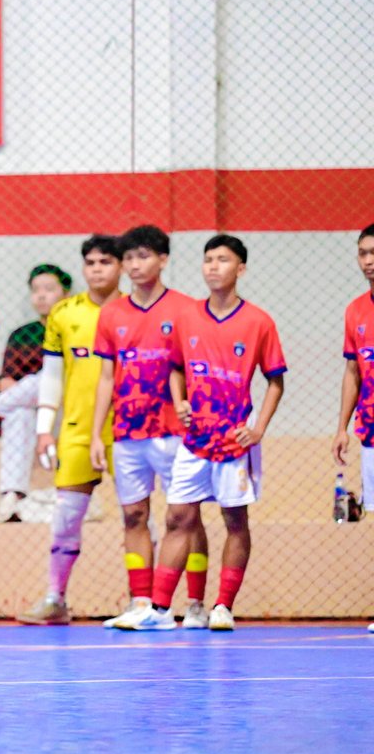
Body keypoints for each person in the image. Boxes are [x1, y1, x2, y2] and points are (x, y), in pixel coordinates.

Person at [154, 235, 286, 632]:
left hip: (235, 441)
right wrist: (180, 401)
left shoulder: (259, 321)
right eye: (208, 259)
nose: (213, 266)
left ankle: (223, 606)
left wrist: (258, 429)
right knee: (178, 516)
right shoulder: (187, 317)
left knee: (234, 519)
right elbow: (176, 368)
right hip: (195, 440)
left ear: (240, 268)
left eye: (223, 260)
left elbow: (275, 381)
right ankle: (159, 610)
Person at [92, 226, 210, 630]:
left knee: (185, 518)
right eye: (128, 258)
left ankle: (195, 603)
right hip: (128, 433)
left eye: (142, 256)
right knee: (133, 516)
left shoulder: (188, 310)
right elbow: (106, 377)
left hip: (177, 433)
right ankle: (141, 603)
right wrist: (96, 433)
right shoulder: (111, 314)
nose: (134, 265)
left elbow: (198, 370)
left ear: (163, 259)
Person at [16, 236, 122, 624]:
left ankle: (144, 602)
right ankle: (54, 599)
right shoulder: (64, 314)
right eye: (90, 263)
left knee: (137, 517)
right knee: (65, 520)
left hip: (126, 431)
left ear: (121, 266)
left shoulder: (134, 311)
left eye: (105, 262)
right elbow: (52, 376)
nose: (97, 269)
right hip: (77, 432)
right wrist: (45, 429)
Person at [0, 264, 70, 522]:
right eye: (36, 290)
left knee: (49, 376)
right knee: (20, 411)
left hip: (66, 411)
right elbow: (6, 383)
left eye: (49, 289)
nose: (41, 295)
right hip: (33, 414)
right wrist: (32, 398)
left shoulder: (74, 329)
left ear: (65, 293)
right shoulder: (22, 335)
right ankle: (12, 497)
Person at [333, 223, 374, 547]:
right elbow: (353, 372)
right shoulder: (356, 311)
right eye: (362, 253)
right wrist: (342, 428)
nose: (368, 261)